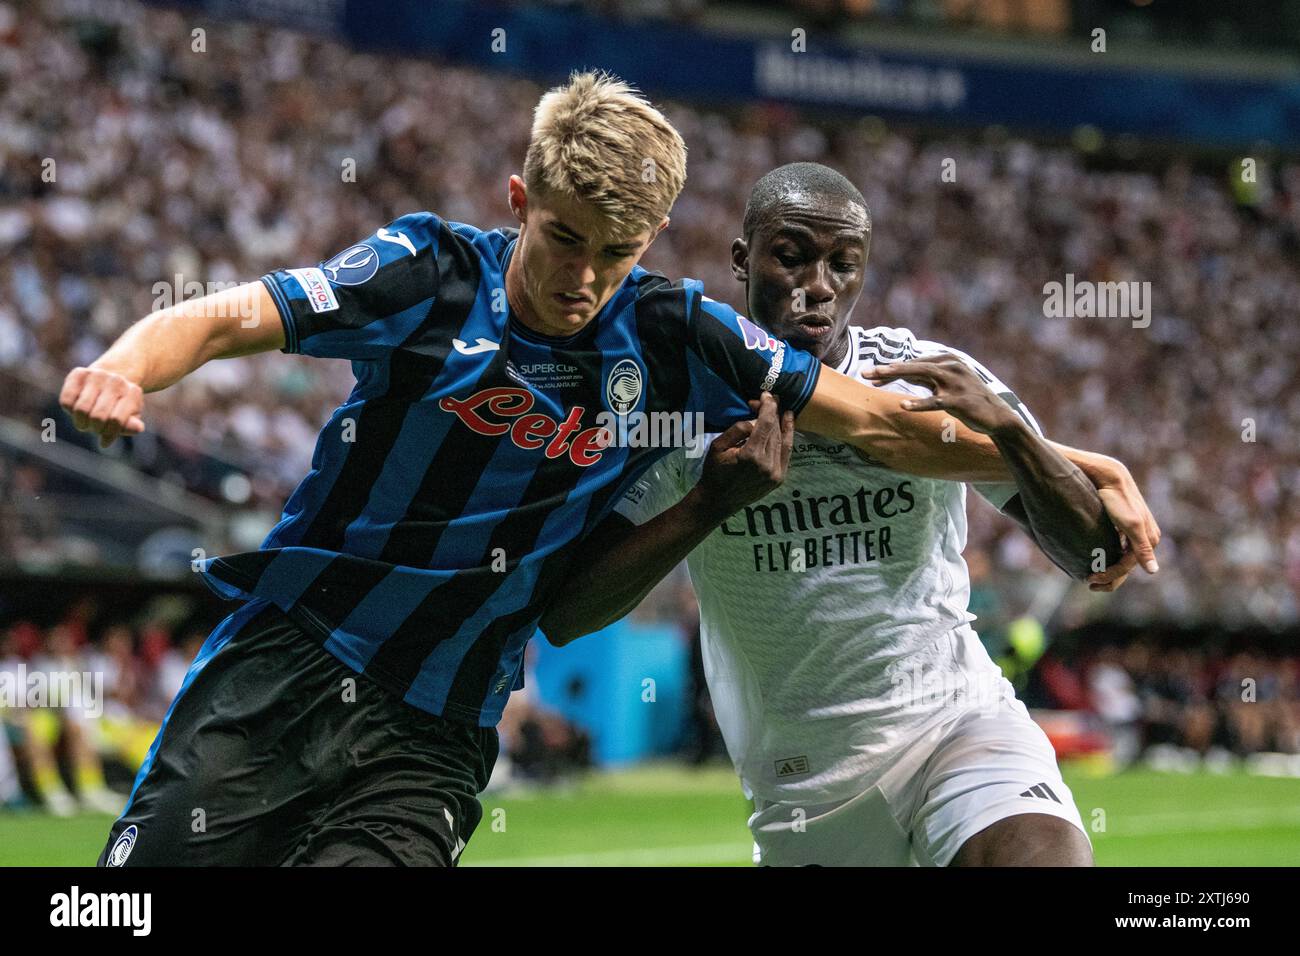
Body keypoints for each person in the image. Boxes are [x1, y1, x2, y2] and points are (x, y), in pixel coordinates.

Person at [62, 75, 1151, 866]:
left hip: (435, 727)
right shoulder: (426, 272)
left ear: (655, 239)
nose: (583, 277)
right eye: (565, 239)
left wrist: (1073, 456)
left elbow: (878, 421)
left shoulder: (679, 337)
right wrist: (123, 365)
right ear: (519, 198)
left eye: (615, 252)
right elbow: (230, 316)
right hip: (290, 660)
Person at [540, 162, 1160, 866]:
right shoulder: (682, 406)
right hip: (806, 788)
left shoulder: (919, 376)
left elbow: (1095, 558)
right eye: (792, 257)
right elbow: (568, 615)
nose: (819, 287)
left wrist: (1016, 437)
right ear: (742, 259)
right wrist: (710, 502)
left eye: (844, 264)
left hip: (956, 729)